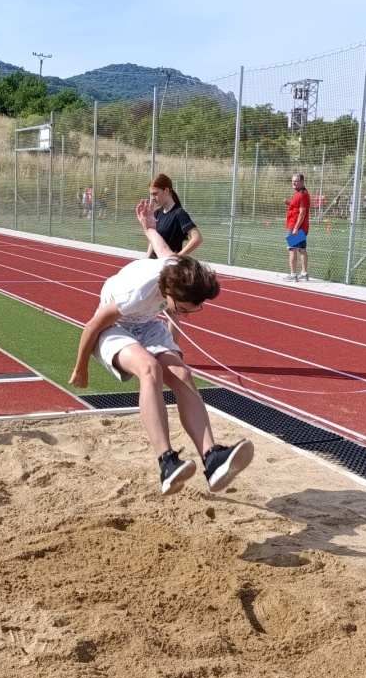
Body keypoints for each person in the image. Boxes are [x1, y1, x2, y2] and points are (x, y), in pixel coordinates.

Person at [69, 199, 254, 496]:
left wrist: (149, 227)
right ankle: (166, 463)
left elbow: (164, 249)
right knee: (149, 369)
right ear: (170, 293)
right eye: (186, 308)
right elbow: (92, 325)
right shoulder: (135, 292)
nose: (191, 312)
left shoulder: (175, 269)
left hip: (144, 323)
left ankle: (213, 458)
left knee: (182, 375)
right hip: (112, 327)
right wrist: (81, 368)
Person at [147, 174, 203, 258]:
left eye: (155, 194)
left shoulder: (179, 214)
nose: (152, 198)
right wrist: (146, 258)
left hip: (167, 265)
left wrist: (177, 257)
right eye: (151, 195)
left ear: (166, 190)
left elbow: (197, 238)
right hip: (154, 263)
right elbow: (153, 240)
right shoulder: (157, 213)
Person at [284, 173, 311, 281]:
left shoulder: (302, 194)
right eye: (292, 181)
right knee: (301, 249)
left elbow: (302, 213)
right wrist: (289, 203)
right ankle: (304, 273)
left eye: (296, 181)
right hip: (300, 226)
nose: (293, 183)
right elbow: (297, 206)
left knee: (292, 249)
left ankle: (293, 274)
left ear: (302, 182)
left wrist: (295, 228)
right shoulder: (299, 193)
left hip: (296, 226)